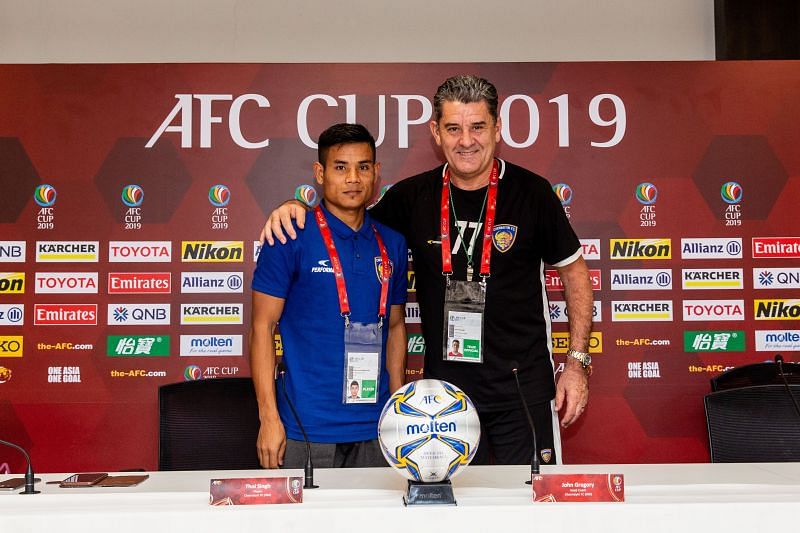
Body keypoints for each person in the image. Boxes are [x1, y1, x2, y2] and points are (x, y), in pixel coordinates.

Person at [260, 76, 593, 466]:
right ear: (436, 133)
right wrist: (292, 206)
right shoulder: (411, 197)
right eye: (453, 128)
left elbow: (576, 276)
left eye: (477, 127)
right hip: (441, 402)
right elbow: (345, 219)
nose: (466, 140)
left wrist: (576, 363)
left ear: (497, 128)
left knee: (531, 510)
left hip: (524, 393)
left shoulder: (533, 193)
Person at [249, 123, 407, 469]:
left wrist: (398, 405)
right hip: (306, 429)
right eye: (340, 167)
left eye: (363, 167)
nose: (353, 178)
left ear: (376, 173)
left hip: (377, 428)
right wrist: (268, 419)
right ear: (320, 173)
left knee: (376, 525)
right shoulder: (289, 234)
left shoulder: (392, 242)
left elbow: (395, 326)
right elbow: (262, 327)